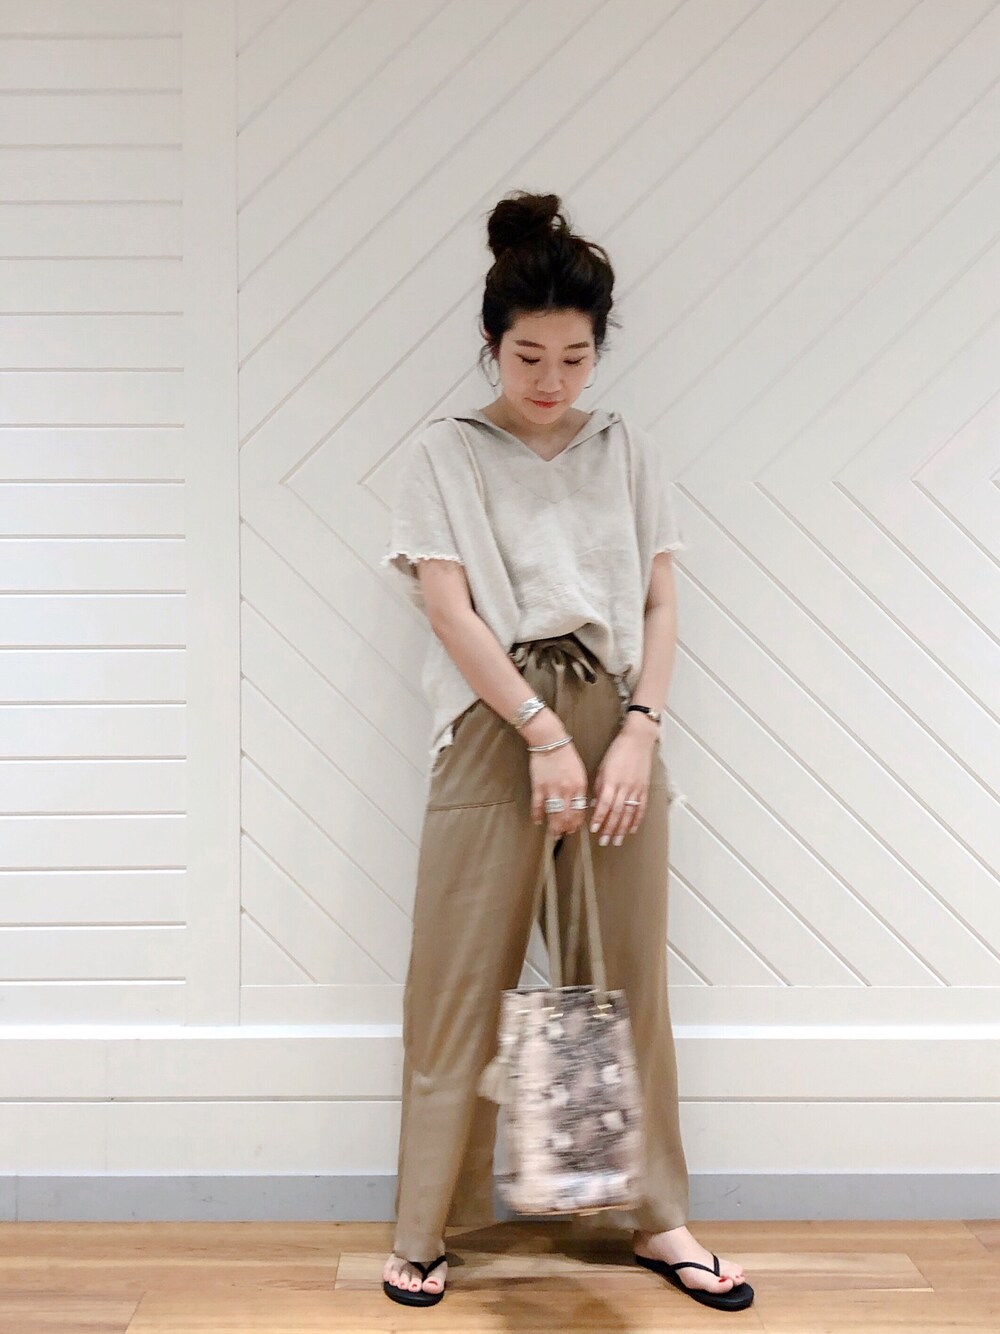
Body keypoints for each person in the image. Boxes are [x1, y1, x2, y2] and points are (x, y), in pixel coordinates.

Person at [378, 190, 753, 1314]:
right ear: (492, 345)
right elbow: (449, 607)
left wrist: (639, 728)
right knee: (459, 981)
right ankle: (426, 1227)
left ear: (600, 350)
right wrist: (538, 733)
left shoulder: (626, 448)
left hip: (616, 720)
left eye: (575, 358)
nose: (552, 380)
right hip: (493, 725)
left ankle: (653, 1215)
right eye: (528, 356)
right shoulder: (445, 453)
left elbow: (660, 598)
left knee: (622, 978)